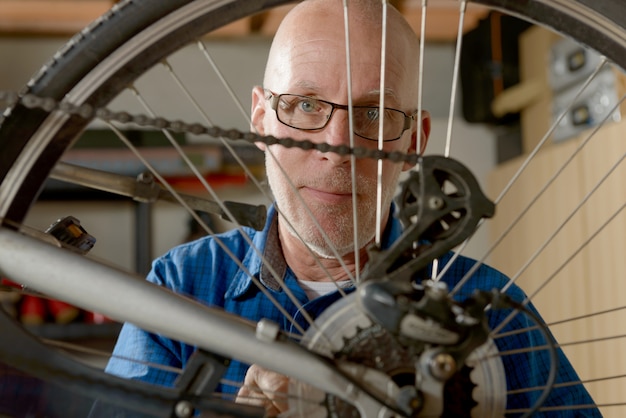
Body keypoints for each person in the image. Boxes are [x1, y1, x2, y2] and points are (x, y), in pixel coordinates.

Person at [105, 0, 601, 416]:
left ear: (414, 142)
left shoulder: (488, 307)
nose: (337, 146)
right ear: (260, 121)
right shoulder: (180, 291)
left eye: (374, 113)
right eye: (304, 105)